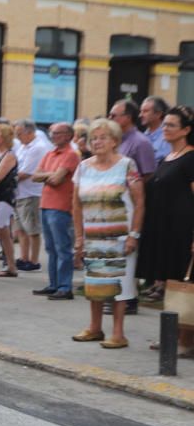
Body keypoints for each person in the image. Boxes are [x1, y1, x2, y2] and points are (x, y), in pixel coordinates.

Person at [71, 119, 145, 349]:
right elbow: (76, 205)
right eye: (93, 138)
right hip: (93, 236)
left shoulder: (127, 165)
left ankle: (118, 333)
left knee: (119, 285)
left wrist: (134, 234)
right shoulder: (83, 166)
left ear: (115, 141)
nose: (97, 142)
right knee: (94, 283)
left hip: (120, 236)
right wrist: (79, 237)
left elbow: (140, 201)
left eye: (102, 137)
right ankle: (94, 328)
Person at [137, 106, 194, 356]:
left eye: (171, 125)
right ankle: (172, 335)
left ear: (186, 130)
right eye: (165, 125)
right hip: (164, 230)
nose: (165, 129)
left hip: (183, 231)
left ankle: (185, 340)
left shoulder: (191, 158)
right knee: (171, 284)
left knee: (186, 285)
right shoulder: (167, 157)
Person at [30, 122, 80, 300]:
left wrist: (48, 175)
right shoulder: (50, 153)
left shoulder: (71, 155)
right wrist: (49, 175)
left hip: (61, 206)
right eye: (52, 133)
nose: (53, 136)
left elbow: (58, 180)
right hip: (46, 204)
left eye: (57, 133)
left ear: (68, 135)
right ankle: (54, 284)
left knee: (62, 248)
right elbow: (34, 176)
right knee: (51, 248)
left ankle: (65, 286)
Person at [13, 119, 51, 272]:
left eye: (19, 133)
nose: (17, 137)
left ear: (29, 132)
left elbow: (25, 172)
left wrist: (5, 180)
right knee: (21, 229)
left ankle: (34, 260)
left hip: (30, 193)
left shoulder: (38, 147)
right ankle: (24, 257)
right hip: (19, 193)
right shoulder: (23, 146)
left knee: (32, 229)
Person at [0, 124, 19, 277]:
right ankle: (11, 265)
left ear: (3, 138)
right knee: (3, 233)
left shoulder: (9, 156)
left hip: (4, 198)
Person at [109, 100, 156, 181]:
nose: (109, 118)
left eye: (113, 116)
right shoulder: (114, 140)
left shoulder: (141, 142)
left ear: (128, 117)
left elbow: (148, 176)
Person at [140, 96, 171, 165]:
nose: (140, 115)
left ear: (158, 114)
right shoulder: (142, 136)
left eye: (145, 111)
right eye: (141, 111)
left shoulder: (168, 136)